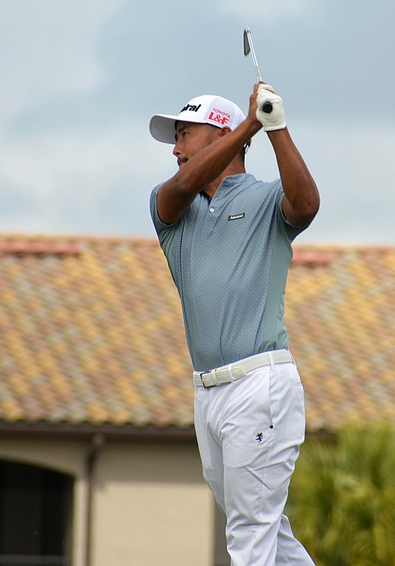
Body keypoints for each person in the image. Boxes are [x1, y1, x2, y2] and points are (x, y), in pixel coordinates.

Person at [148, 83, 319, 565]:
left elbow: (305, 205)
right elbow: (179, 190)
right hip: (208, 394)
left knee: (250, 533)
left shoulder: (266, 200)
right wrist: (249, 126)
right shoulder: (171, 209)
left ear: (220, 136)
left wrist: (275, 128)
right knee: (268, 533)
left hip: (259, 384)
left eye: (185, 134)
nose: (176, 149)